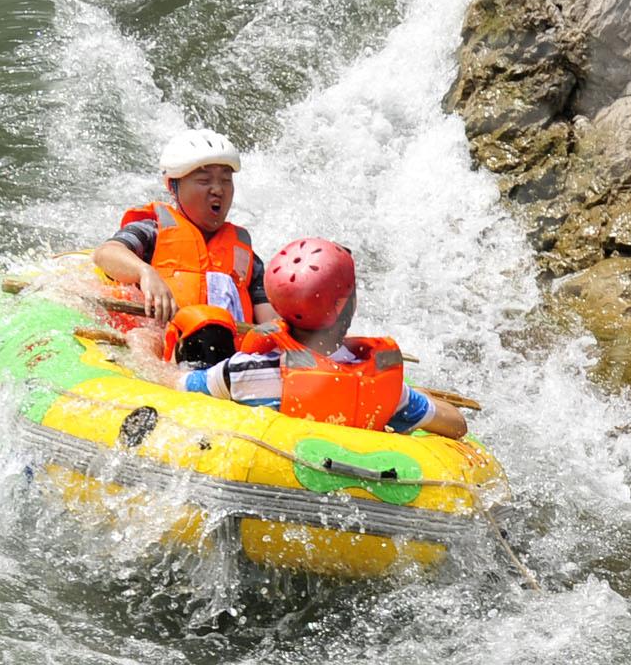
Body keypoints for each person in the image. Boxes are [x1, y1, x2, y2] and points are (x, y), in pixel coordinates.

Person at [158, 238, 469, 440]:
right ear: (347, 306)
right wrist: (403, 399)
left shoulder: (245, 372)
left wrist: (142, 347)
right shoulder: (382, 385)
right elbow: (456, 424)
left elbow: (176, 384)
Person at [93, 131, 264, 330]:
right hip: (165, 346)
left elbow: (269, 318)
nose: (218, 189)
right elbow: (105, 254)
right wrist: (144, 272)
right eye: (204, 180)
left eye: (226, 180)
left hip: (226, 356)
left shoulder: (246, 256)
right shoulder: (152, 232)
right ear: (173, 187)